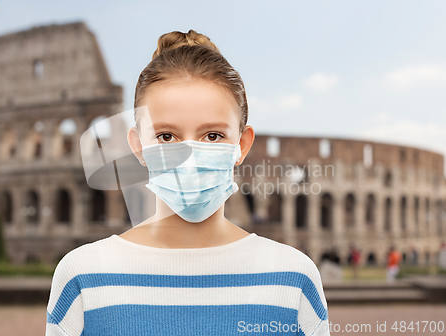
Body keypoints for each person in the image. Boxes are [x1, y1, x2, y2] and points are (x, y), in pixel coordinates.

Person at [45, 29, 330, 336]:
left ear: (242, 146)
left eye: (213, 135)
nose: (189, 156)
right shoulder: (82, 277)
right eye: (167, 136)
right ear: (138, 146)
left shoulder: (294, 279)